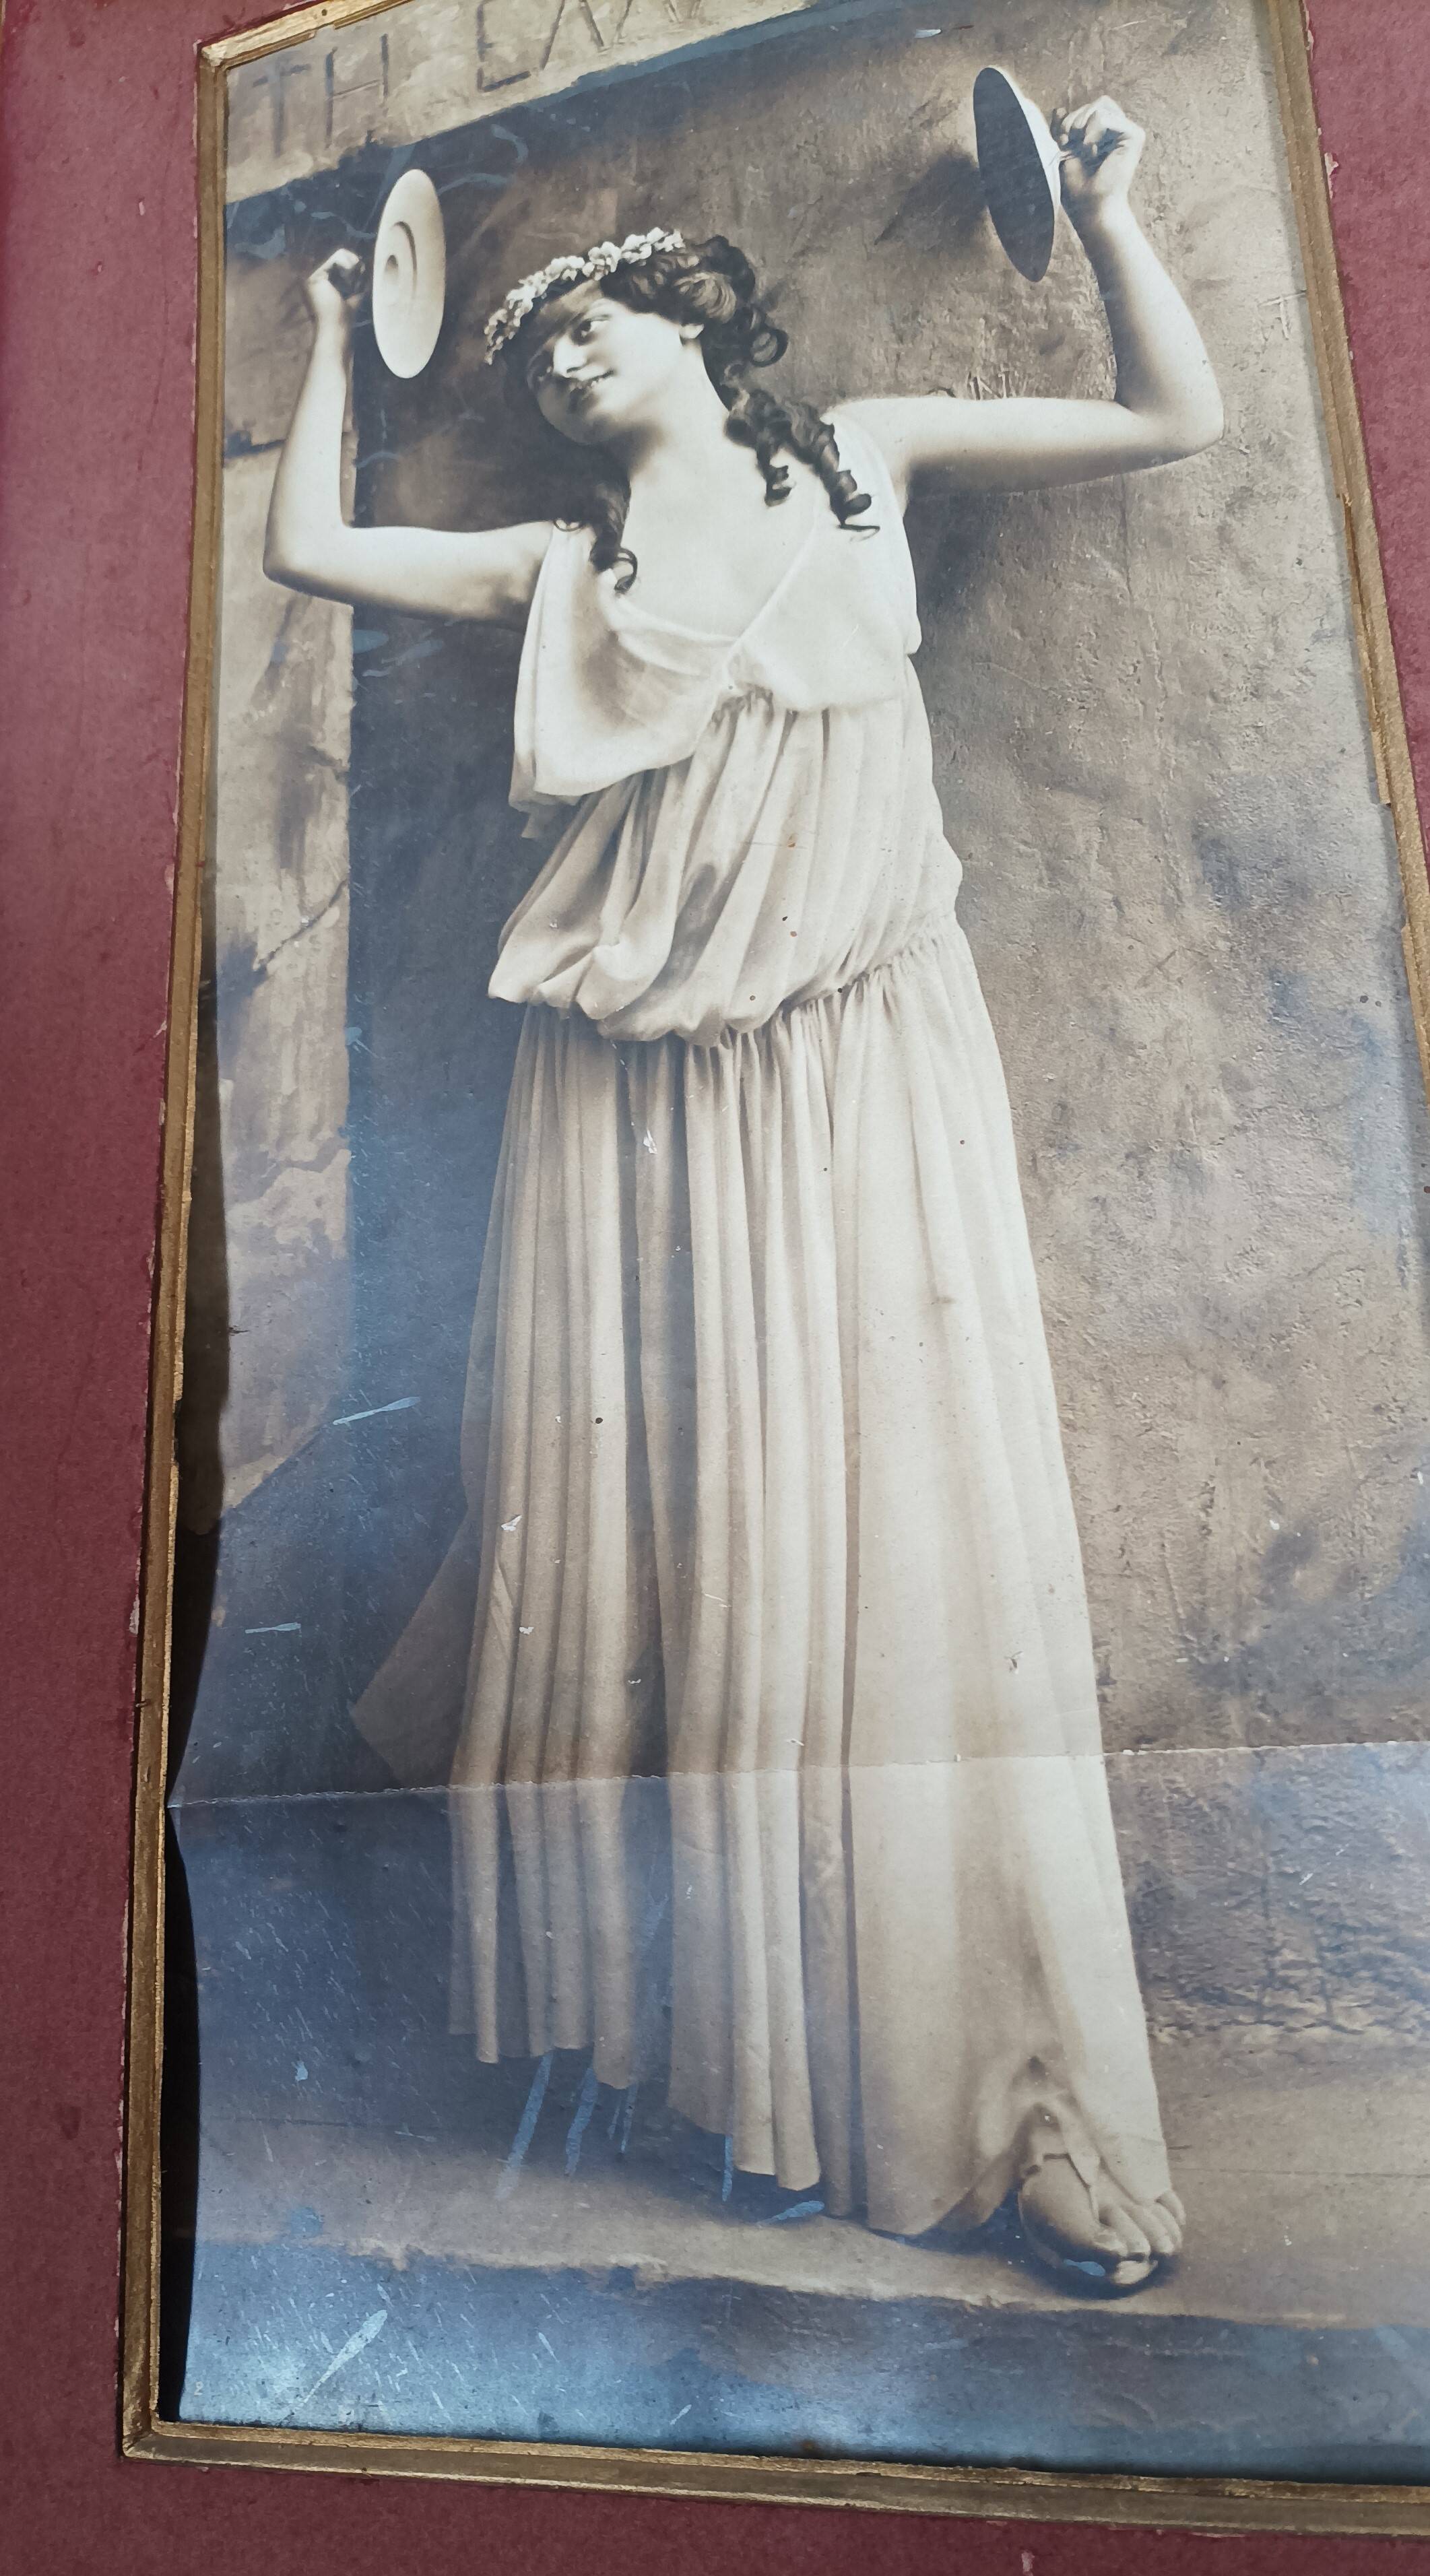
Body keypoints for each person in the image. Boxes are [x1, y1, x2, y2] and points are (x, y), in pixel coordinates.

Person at [265, 94, 1222, 2292]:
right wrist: (334, 335)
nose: (561, 360)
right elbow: (306, 554)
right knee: (665, 1540)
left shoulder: (866, 452)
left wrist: (1097, 213)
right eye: (531, 363)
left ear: (696, 320)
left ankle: (953, 2082)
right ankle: (719, 2072)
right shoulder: (558, 568)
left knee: (880, 1520)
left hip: (863, 1056)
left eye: (590, 322)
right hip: (618, 1105)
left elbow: (1178, 409)